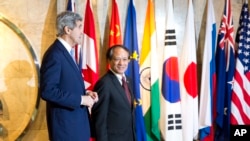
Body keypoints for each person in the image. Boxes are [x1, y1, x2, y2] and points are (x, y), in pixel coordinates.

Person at [40, 11, 98, 141]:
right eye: (79, 27)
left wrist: (86, 94)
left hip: (76, 127)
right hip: (66, 130)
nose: (82, 32)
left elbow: (66, 85)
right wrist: (81, 100)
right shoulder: (54, 54)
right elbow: (48, 91)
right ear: (67, 30)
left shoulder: (66, 52)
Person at [91, 45, 136, 141]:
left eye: (124, 59)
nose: (121, 63)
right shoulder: (104, 84)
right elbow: (99, 120)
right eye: (117, 59)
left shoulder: (128, 80)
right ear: (109, 60)